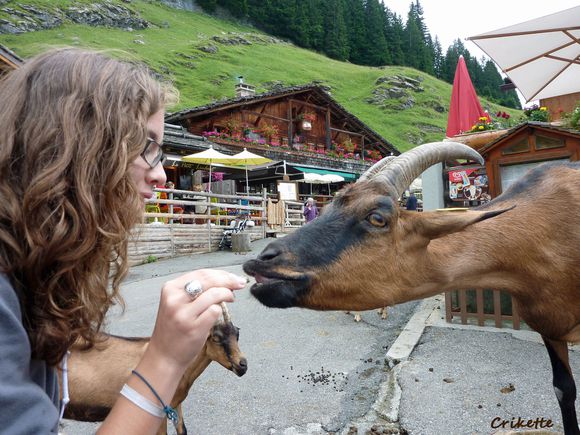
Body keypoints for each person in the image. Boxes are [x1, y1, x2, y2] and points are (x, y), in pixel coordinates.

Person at [0, 48, 246, 434]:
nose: (162, 176)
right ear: (72, 145)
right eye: (143, 145)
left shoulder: (27, 276)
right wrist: (163, 360)